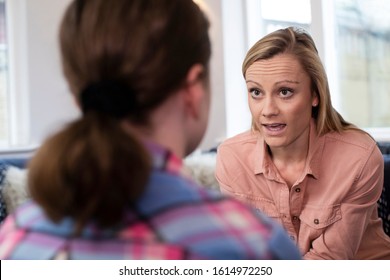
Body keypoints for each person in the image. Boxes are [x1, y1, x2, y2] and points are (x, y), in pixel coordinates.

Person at [0, 0, 301, 260]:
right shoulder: (254, 246)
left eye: (285, 91)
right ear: (193, 90)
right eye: (256, 92)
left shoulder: (16, 236)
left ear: (79, 99)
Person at [215, 26, 390, 260]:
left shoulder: (358, 158)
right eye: (256, 92)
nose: (267, 111)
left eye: (285, 92)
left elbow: (328, 261)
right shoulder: (232, 157)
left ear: (315, 95)